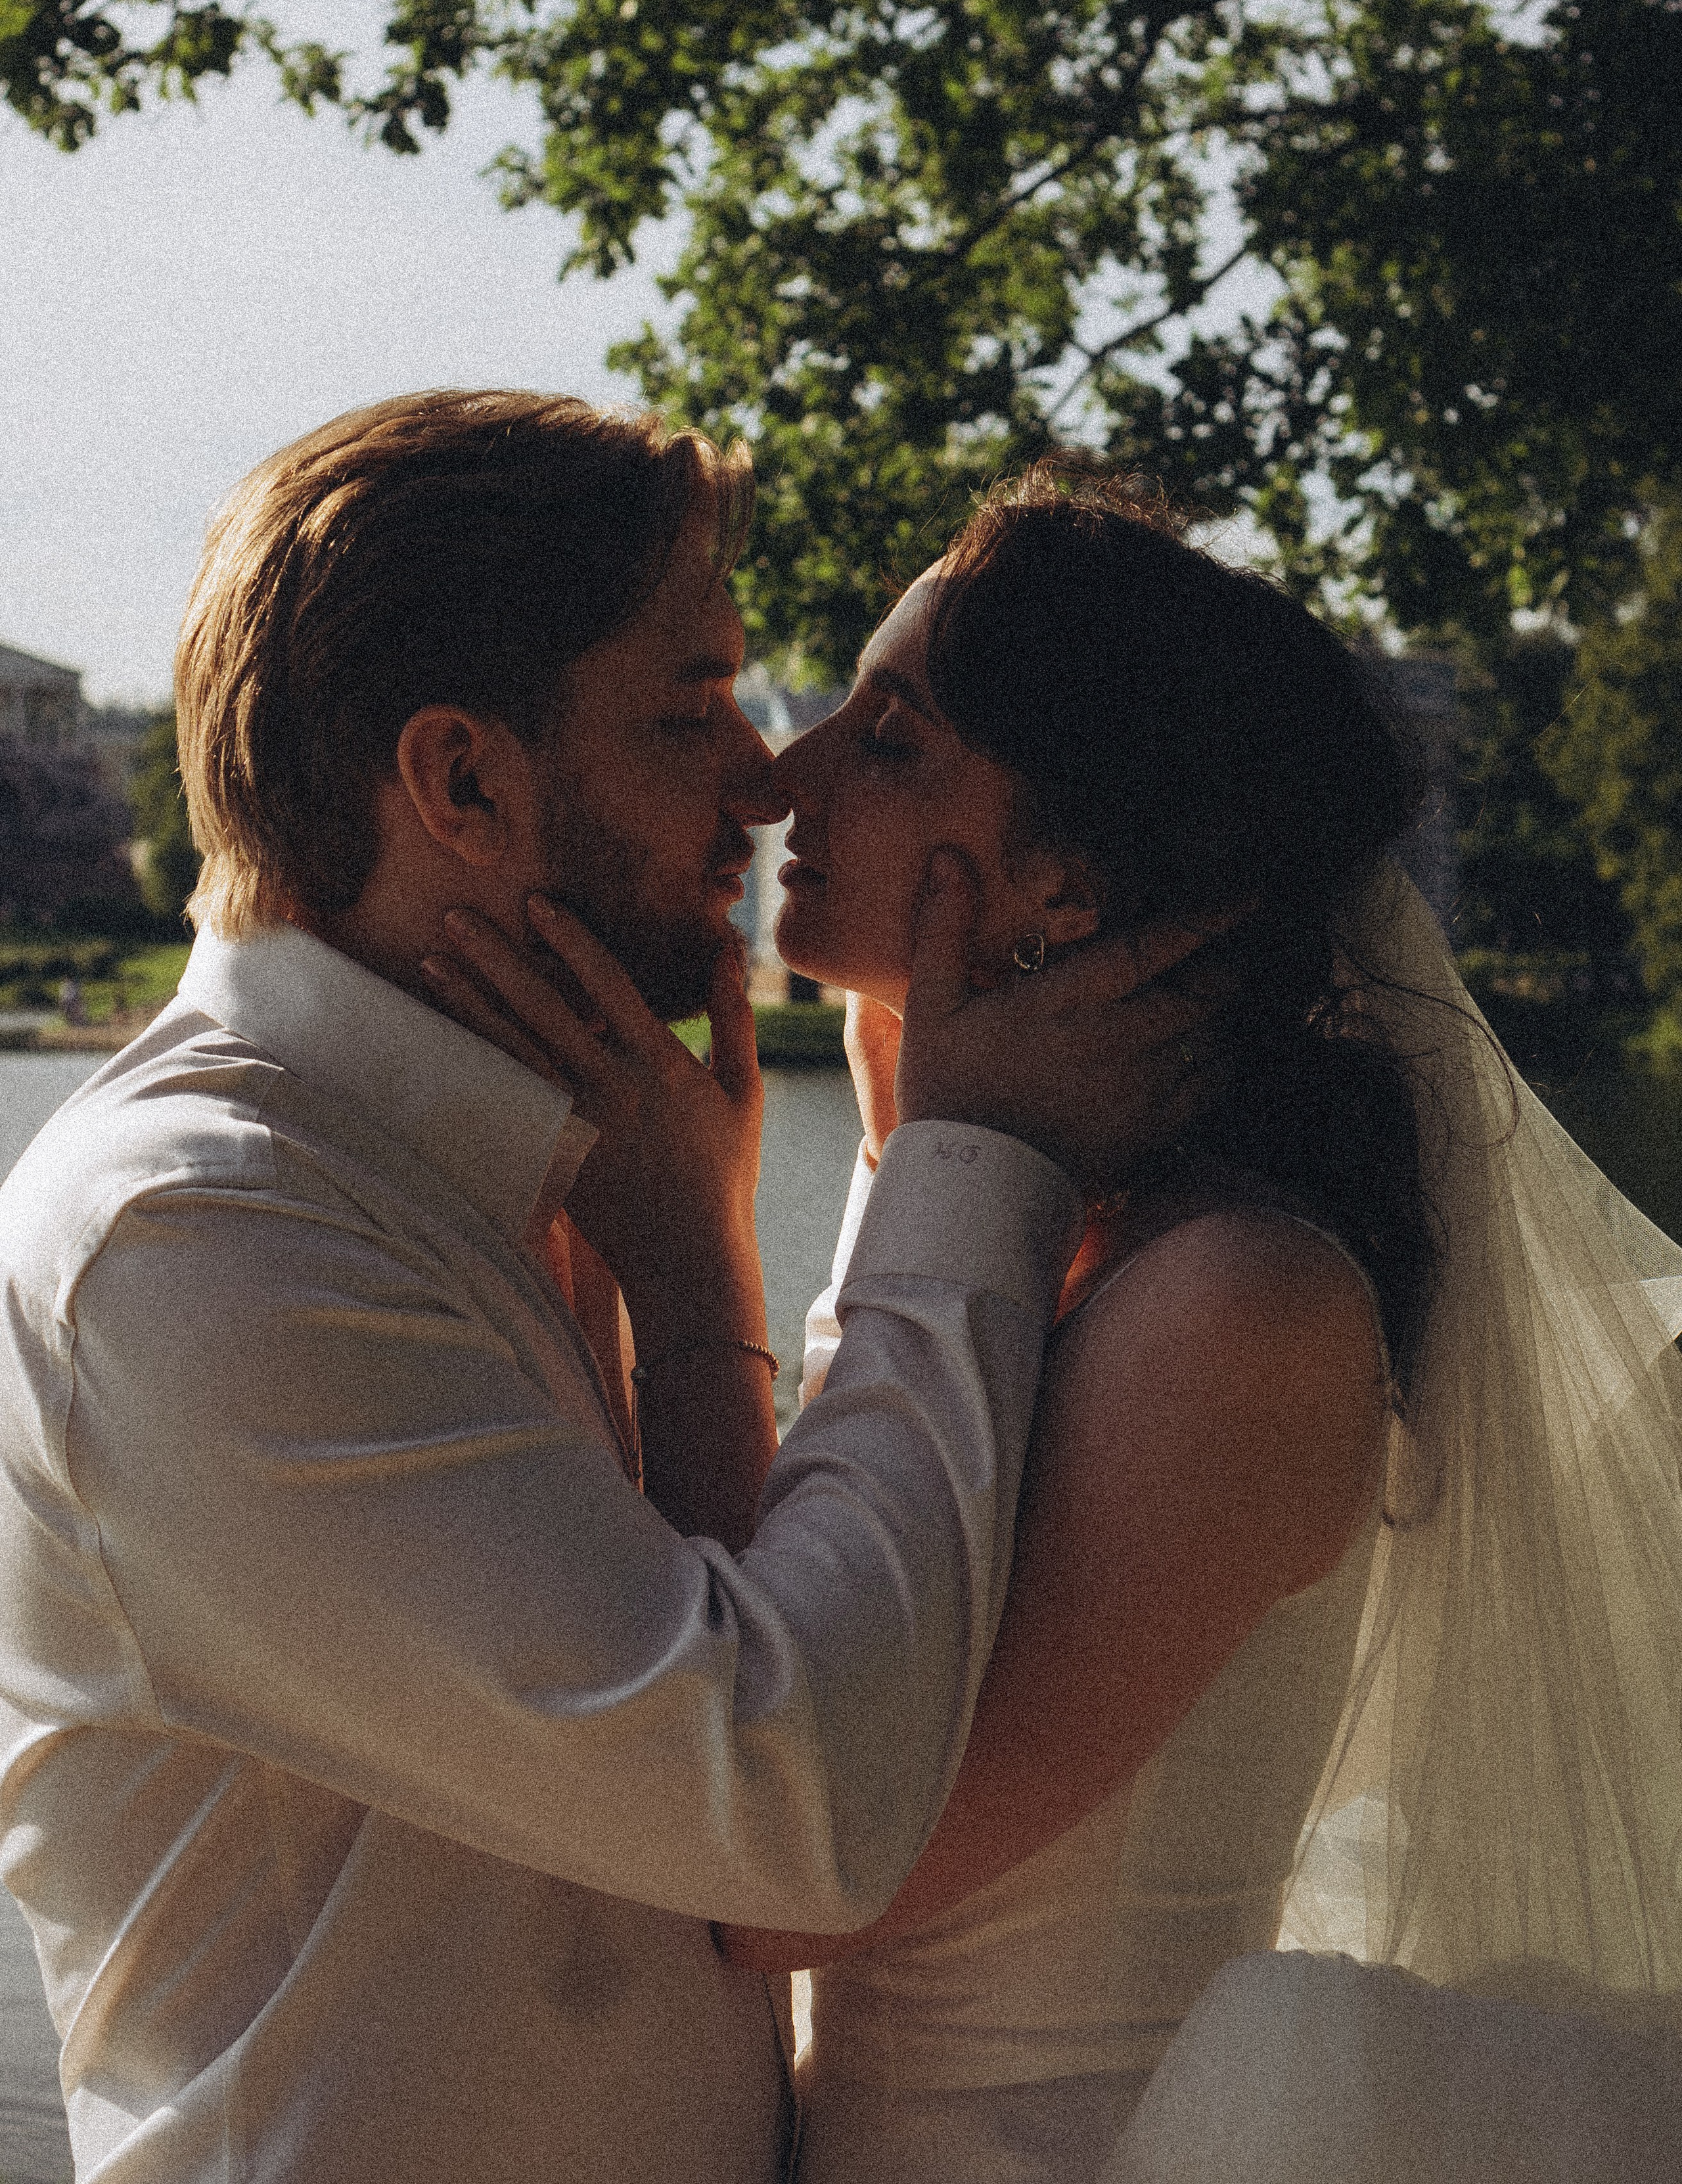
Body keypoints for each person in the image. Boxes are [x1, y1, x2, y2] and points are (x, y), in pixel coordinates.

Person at [0, 395, 1218, 2184]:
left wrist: (692, 1260)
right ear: (465, 781)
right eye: (688, 704)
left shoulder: (527, 1157)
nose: (766, 774)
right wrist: (970, 1165)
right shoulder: (198, 1241)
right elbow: (795, 1801)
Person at [698, 461, 1682, 2180]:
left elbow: (797, 1879)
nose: (785, 775)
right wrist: (916, 1156)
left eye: (893, 735)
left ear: (1067, 884)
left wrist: (681, 1253)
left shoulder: (1239, 1306)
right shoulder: (1079, 1239)